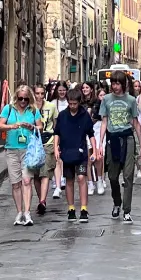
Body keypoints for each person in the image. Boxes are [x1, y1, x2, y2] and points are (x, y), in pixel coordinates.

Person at [99, 70, 141, 223]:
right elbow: (104, 121)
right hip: (113, 139)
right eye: (113, 83)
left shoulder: (131, 100)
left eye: (118, 83)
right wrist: (100, 143)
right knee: (112, 176)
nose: (115, 86)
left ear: (124, 84)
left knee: (128, 176)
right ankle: (116, 202)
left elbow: (136, 123)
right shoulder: (106, 99)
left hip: (128, 138)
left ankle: (126, 210)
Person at [0, 83, 43, 226]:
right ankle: (19, 212)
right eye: (20, 98)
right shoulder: (8, 109)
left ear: (30, 99)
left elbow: (41, 127)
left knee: (27, 181)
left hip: (28, 150)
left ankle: (27, 212)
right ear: (16, 97)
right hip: (11, 150)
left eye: (26, 99)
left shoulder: (33, 110)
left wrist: (32, 127)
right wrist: (12, 126)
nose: (23, 102)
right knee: (15, 183)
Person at [54, 84, 95, 222]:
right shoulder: (62, 116)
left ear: (79, 102)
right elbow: (57, 133)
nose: (72, 106)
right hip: (67, 152)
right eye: (70, 104)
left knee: (82, 178)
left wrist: (94, 150)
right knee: (69, 180)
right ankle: (71, 208)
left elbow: (91, 134)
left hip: (81, 152)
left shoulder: (84, 115)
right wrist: (55, 148)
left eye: (75, 104)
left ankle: (84, 208)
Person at [32, 84, 56, 215]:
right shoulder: (30, 107)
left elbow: (55, 125)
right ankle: (41, 198)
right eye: (37, 93)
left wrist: (58, 144)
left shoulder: (51, 106)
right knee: (36, 174)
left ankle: (42, 201)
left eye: (42, 93)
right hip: (34, 144)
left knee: (45, 172)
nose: (40, 96)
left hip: (48, 142)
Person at [48, 80, 69, 199]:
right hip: (56, 132)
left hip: (68, 132)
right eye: (60, 90)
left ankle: (63, 177)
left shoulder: (69, 102)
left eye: (63, 90)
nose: (62, 92)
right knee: (57, 156)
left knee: (64, 156)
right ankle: (58, 180)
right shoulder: (52, 103)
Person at [90, 84, 107, 194]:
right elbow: (92, 118)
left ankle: (101, 179)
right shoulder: (94, 105)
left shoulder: (107, 105)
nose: (103, 97)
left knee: (101, 155)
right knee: (91, 157)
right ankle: (91, 181)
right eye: (101, 95)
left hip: (103, 130)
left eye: (104, 95)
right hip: (93, 130)